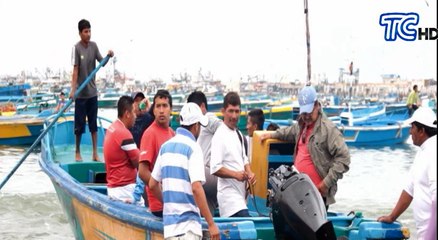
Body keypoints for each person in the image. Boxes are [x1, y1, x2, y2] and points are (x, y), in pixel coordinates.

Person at [259, 85, 350, 208]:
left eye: (309, 112)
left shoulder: (329, 130)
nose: (306, 116)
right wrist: (271, 134)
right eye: (304, 112)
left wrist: (325, 184)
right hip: (297, 192)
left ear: (317, 105)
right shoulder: (301, 125)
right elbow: (288, 132)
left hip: (316, 195)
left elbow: (344, 158)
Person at [149, 102, 220, 240]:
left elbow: (152, 184)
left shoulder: (165, 147)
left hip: (169, 229)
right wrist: (211, 224)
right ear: (195, 126)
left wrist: (169, 203)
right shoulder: (193, 148)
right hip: (188, 229)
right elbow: (196, 188)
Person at [378, 107, 437, 239]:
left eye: (412, 127)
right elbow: (409, 189)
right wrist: (392, 217)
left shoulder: (433, 154)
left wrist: (431, 235)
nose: (410, 132)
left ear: (422, 131)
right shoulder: (423, 151)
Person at [70, 19, 114, 162]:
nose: (88, 34)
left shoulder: (94, 46)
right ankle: (77, 151)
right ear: (80, 33)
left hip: (92, 93)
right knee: (79, 126)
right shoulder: (76, 48)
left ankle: (95, 153)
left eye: (89, 31)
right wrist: (73, 90)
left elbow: (102, 62)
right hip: (81, 94)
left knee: (93, 125)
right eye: (85, 32)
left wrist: (109, 56)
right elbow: (75, 70)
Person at [210, 91, 256, 217]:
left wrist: (250, 172)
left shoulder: (239, 134)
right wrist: (235, 175)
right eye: (231, 111)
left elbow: (244, 159)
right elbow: (215, 168)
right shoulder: (219, 135)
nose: (234, 116)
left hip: (241, 197)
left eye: (237, 111)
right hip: (229, 199)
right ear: (223, 111)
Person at [138, 89, 175, 217]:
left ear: (170, 109)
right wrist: (163, 195)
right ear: (153, 110)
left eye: (165, 106)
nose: (161, 110)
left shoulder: (172, 133)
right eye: (158, 106)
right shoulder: (150, 134)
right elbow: (142, 172)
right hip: (160, 206)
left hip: (174, 203)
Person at [103, 96, 143, 206]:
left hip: (115, 188)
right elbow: (139, 163)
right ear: (127, 114)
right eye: (134, 113)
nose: (135, 117)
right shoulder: (123, 133)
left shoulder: (112, 128)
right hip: (125, 190)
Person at [187, 91, 223, 216]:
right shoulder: (198, 124)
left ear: (202, 107)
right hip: (208, 178)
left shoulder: (208, 118)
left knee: (188, 167)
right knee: (206, 207)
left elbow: (224, 128)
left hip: (210, 173)